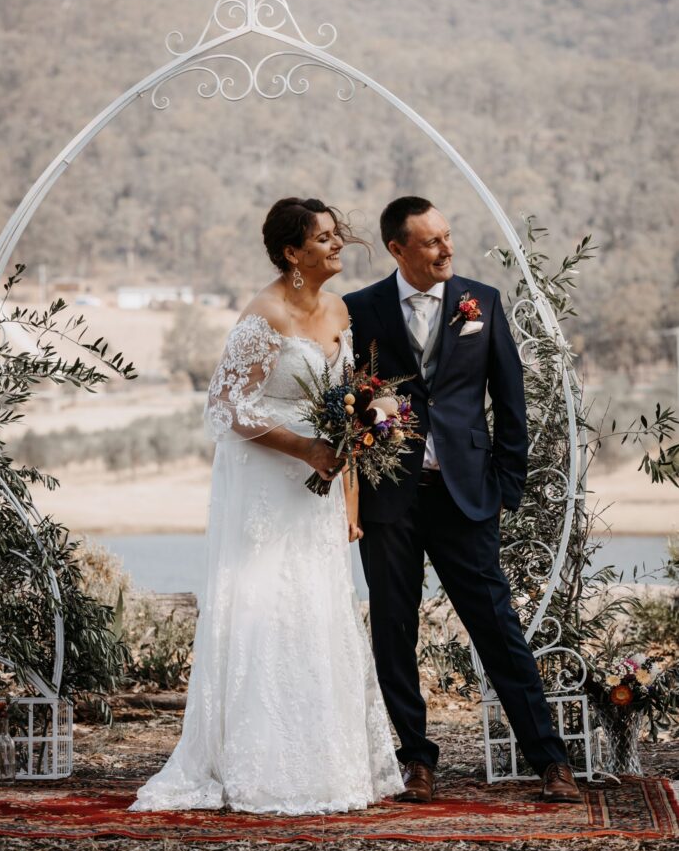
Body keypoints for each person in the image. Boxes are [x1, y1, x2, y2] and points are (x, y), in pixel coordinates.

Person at [129, 197, 404, 814]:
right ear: (291, 252)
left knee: (315, 605)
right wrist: (303, 447)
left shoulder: (337, 309)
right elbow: (225, 408)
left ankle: (323, 761)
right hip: (266, 482)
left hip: (319, 489)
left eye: (338, 236)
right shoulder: (264, 314)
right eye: (325, 238)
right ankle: (257, 763)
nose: (337, 245)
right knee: (261, 602)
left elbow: (348, 409)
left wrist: (349, 497)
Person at [343, 196, 582, 805]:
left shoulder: (483, 301)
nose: (447, 249)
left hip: (466, 497)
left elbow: (511, 402)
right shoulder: (359, 310)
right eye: (431, 242)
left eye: (448, 237)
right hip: (389, 500)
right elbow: (346, 403)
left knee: (496, 627)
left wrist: (506, 486)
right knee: (394, 630)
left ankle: (549, 760)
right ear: (398, 249)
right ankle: (416, 761)